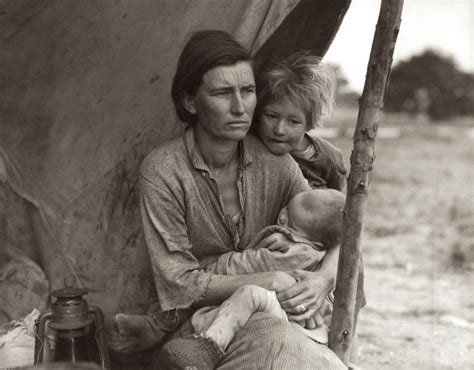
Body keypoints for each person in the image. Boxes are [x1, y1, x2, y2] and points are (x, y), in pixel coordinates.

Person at [112, 30, 345, 369]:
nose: (240, 107)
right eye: (223, 92)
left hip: (274, 311)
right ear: (191, 101)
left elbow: (331, 229)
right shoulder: (164, 171)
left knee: (293, 343)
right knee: (279, 345)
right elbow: (179, 284)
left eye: (248, 91)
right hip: (203, 325)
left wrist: (324, 278)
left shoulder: (275, 162)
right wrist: (265, 280)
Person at [254, 51, 366, 363]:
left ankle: (344, 356)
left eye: (293, 121)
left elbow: (342, 222)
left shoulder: (327, 158)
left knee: (349, 290)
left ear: (310, 122)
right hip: (282, 241)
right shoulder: (252, 148)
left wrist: (326, 277)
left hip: (319, 246)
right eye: (271, 116)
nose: (279, 129)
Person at [159, 189, 346, 369]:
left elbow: (248, 265)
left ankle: (210, 344)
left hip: (287, 313)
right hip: (317, 329)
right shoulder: (323, 255)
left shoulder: (288, 250)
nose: (281, 216)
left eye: (289, 218)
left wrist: (216, 267)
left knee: (250, 295)